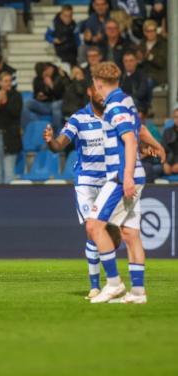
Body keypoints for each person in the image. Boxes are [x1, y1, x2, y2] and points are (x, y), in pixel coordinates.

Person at [44, 85, 116, 299]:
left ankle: (112, 281)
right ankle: (95, 286)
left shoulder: (114, 116)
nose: (102, 95)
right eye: (98, 91)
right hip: (85, 181)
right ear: (89, 92)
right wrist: (50, 141)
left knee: (114, 234)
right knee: (92, 229)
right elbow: (59, 145)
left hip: (109, 181)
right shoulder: (78, 119)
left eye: (105, 91)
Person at [86, 62, 146, 304]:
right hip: (131, 173)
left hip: (121, 176)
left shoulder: (113, 106)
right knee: (130, 233)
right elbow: (138, 132)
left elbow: (130, 140)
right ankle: (138, 292)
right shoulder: (127, 101)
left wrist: (127, 176)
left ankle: (113, 283)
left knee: (93, 226)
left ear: (98, 84)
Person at [21, 62, 68, 132]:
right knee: (26, 103)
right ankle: (26, 129)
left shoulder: (58, 77)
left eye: (47, 70)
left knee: (56, 105)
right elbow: (35, 95)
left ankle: (55, 132)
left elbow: (60, 96)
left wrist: (51, 85)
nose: (45, 73)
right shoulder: (37, 80)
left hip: (56, 103)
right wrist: (38, 97)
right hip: (43, 104)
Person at [136, 19, 167, 89]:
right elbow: (139, 64)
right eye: (149, 31)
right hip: (143, 75)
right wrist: (139, 60)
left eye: (153, 31)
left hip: (158, 76)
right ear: (144, 32)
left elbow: (162, 62)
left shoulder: (163, 44)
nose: (151, 33)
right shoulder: (141, 44)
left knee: (147, 82)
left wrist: (150, 57)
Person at [162, 108, 178, 176]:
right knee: (151, 170)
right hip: (169, 163)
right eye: (176, 117)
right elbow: (161, 150)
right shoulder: (167, 132)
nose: (177, 120)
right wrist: (165, 163)